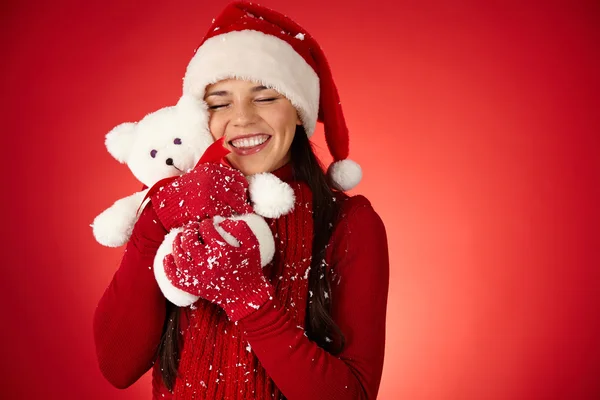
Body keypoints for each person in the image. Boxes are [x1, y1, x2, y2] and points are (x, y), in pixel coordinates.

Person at [93, 2, 390, 399]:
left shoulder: (349, 223)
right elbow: (118, 367)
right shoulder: (173, 217)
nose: (242, 118)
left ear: (299, 112)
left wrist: (248, 298)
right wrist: (157, 217)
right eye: (219, 102)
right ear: (201, 118)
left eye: (265, 97)